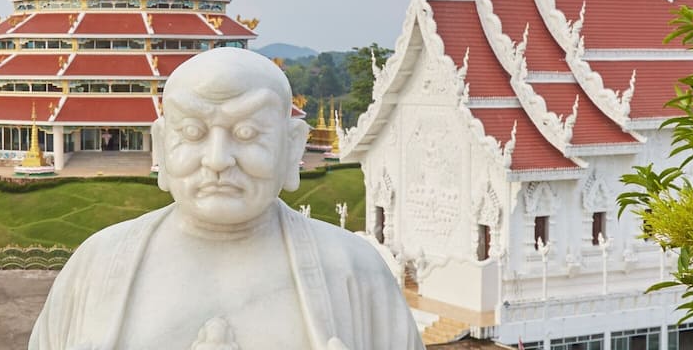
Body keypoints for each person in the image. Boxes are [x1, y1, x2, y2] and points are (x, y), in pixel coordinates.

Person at [29, 48, 422, 350]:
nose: (217, 159)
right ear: (163, 147)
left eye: (248, 133)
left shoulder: (355, 271)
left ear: (291, 147)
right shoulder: (96, 265)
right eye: (193, 132)